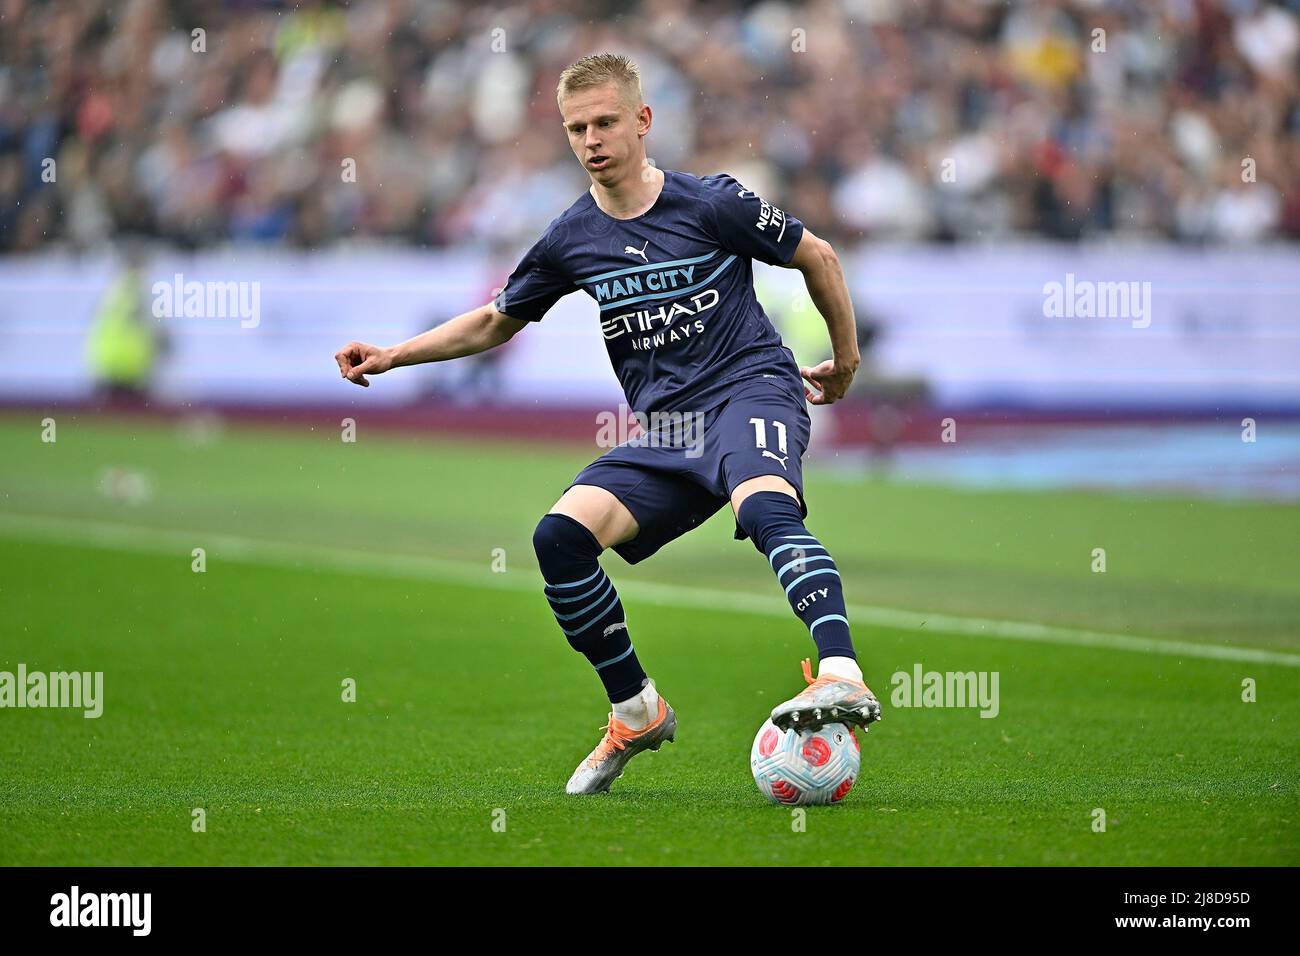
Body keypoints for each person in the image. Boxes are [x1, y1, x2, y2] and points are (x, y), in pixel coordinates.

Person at [334, 53, 880, 795]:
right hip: (669, 435)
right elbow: (498, 320)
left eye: (605, 122)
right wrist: (394, 355)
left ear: (643, 121)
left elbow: (818, 256)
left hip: (751, 389)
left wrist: (844, 361)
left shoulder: (712, 203)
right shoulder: (572, 238)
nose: (591, 139)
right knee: (558, 539)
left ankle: (841, 673)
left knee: (763, 506)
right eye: (576, 128)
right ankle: (636, 709)